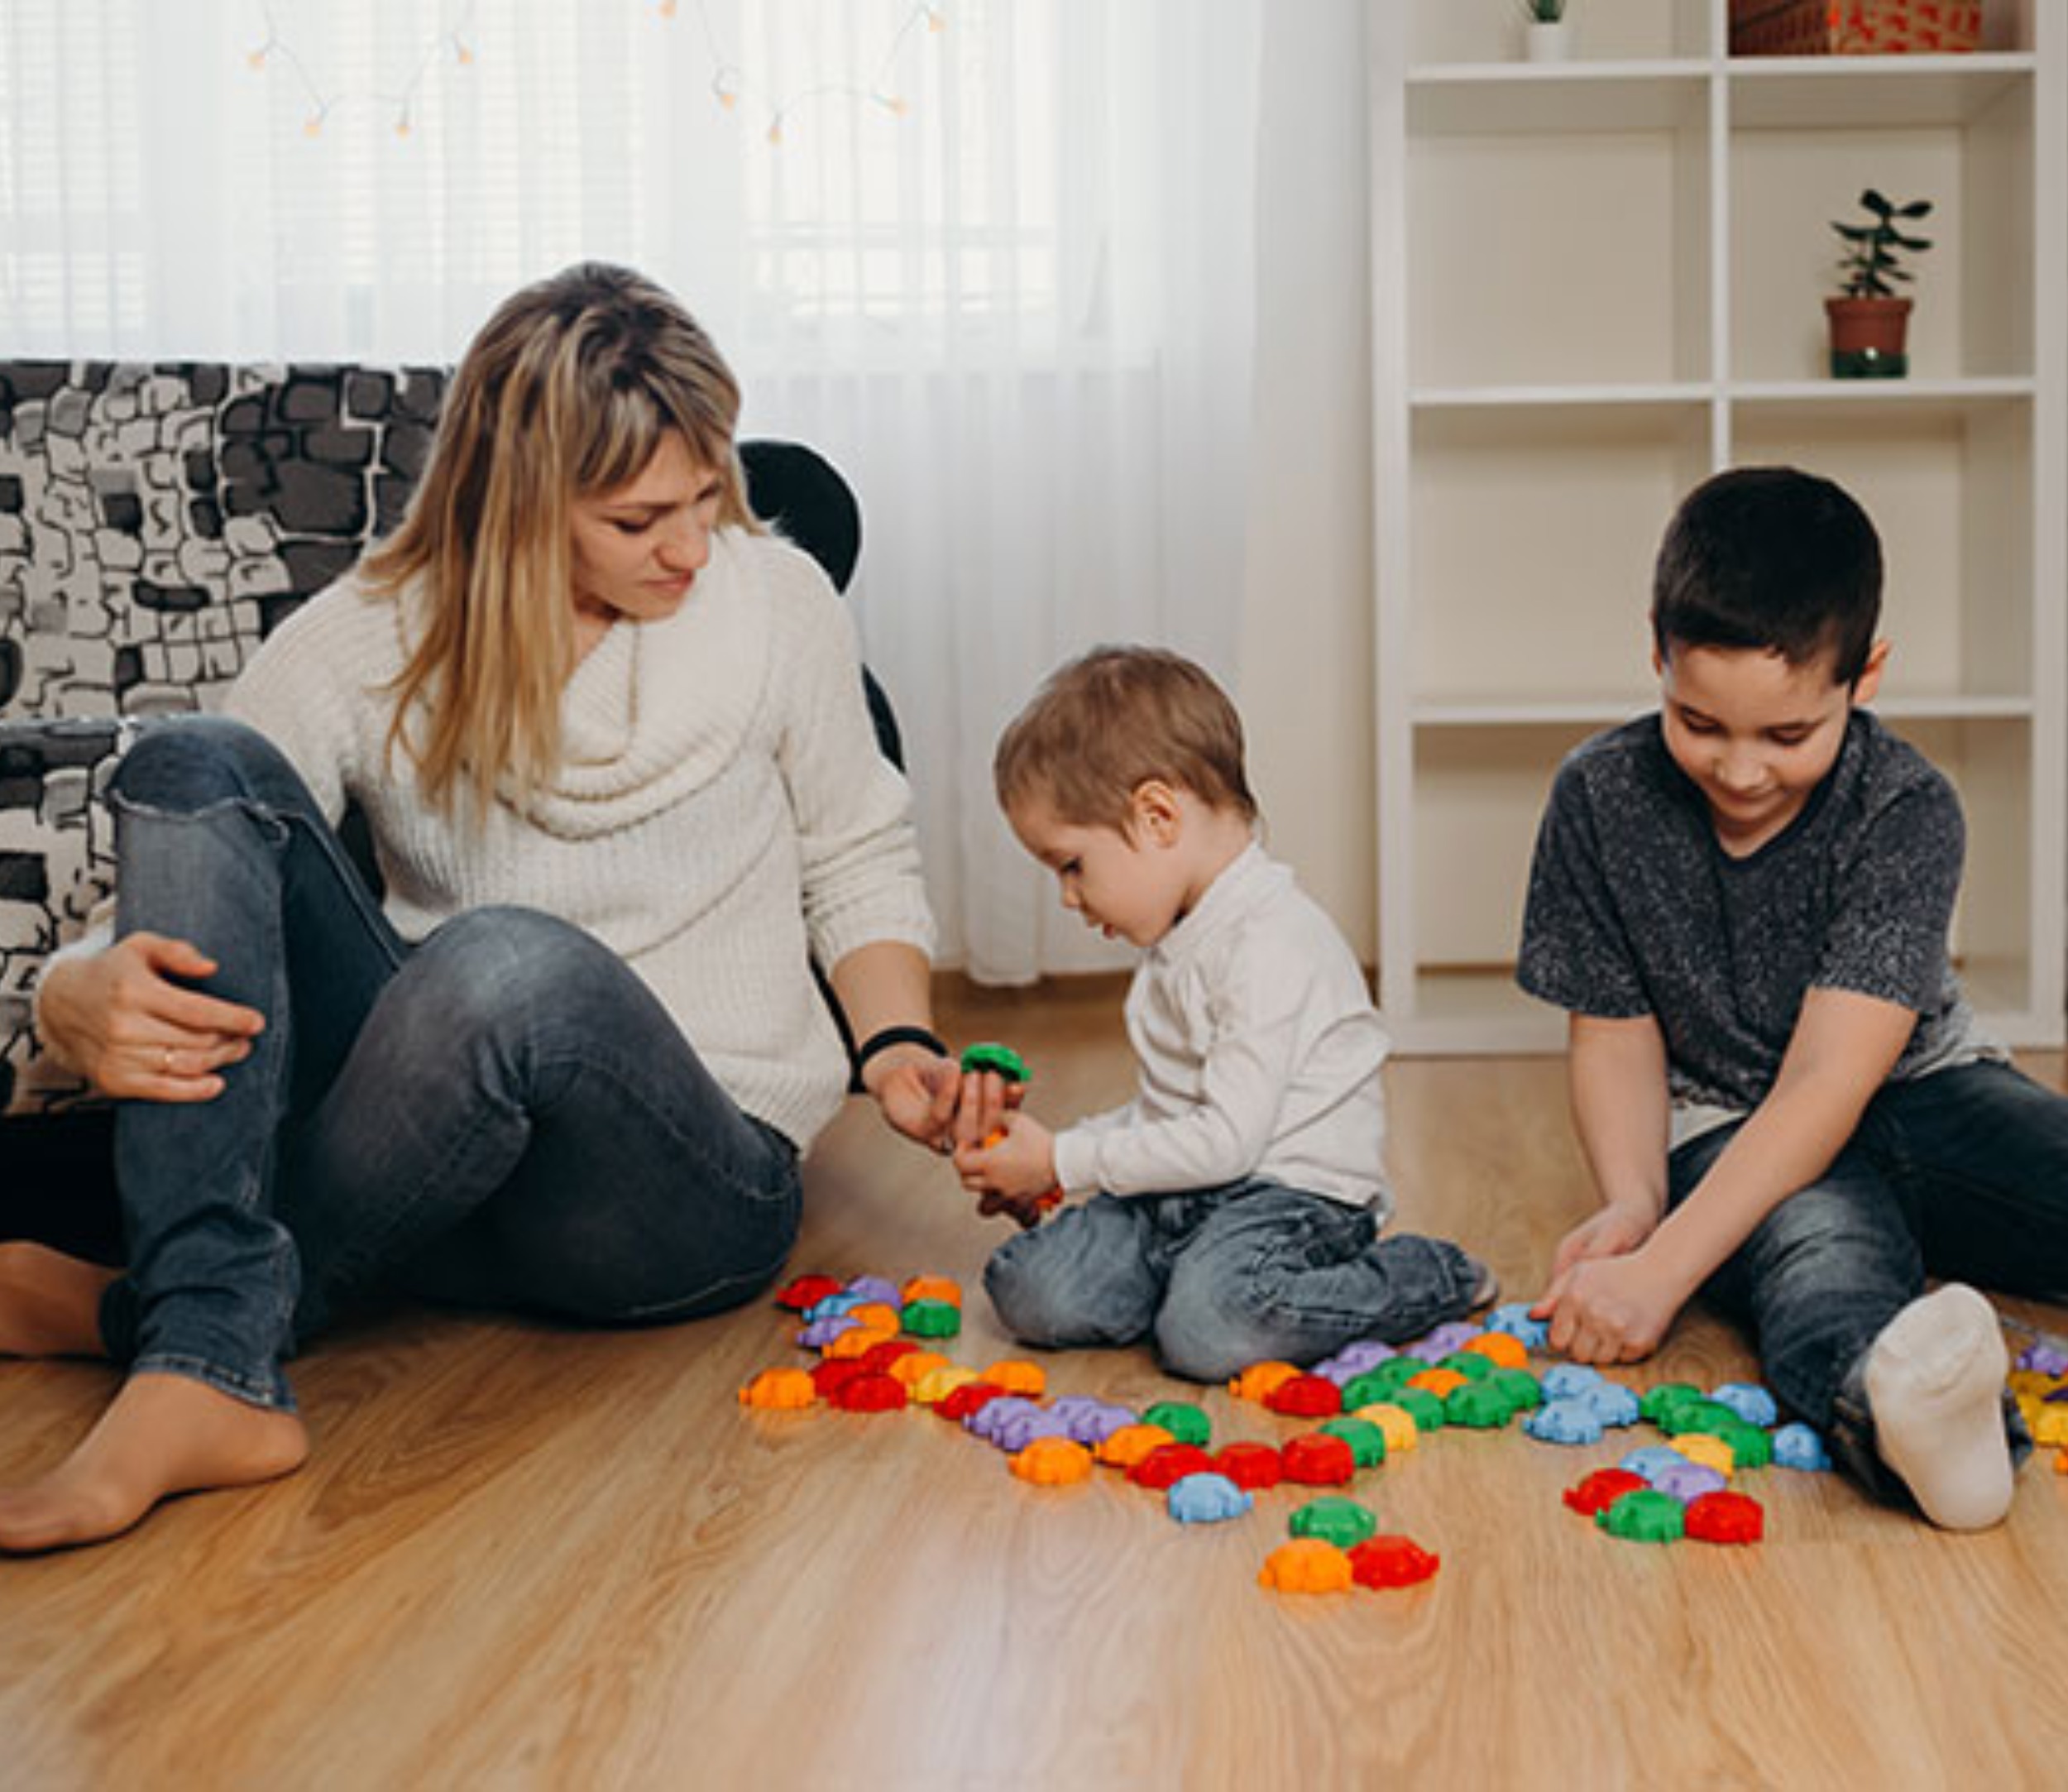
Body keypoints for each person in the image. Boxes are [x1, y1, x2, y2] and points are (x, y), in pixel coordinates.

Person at [0, 262, 964, 1553]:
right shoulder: (368, 635)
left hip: (683, 1186)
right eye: (638, 521)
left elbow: (856, 848)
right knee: (196, 766)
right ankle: (207, 1353)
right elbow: (195, 866)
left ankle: (171, 1331)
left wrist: (898, 1045)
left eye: (704, 497)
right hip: (430, 1157)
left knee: (506, 965)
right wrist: (69, 992)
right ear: (519, 507)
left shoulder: (774, 600)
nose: (691, 546)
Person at [1518, 464, 2068, 1531]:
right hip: (1726, 1129)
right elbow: (1614, 1038)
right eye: (1698, 722)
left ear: (1864, 676)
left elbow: (1829, 1081)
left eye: (1786, 737)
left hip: (1921, 1092)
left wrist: (1664, 1273)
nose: (1737, 770)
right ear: (1655, 651)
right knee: (1827, 1272)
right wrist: (1639, 1209)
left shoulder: (1907, 808)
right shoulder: (1597, 798)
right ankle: (1914, 1425)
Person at [956, 645, 1491, 1382]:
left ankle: (1426, 1276)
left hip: (1290, 1198)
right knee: (1029, 1289)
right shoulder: (1179, 942)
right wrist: (1048, 1162)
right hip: (1187, 1195)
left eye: (1072, 866)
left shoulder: (1269, 944)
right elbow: (1170, 1117)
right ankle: (1192, 1284)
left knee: (1210, 1333)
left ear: (1156, 816)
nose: (1069, 899)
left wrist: (1062, 1159)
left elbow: (1228, 1144)